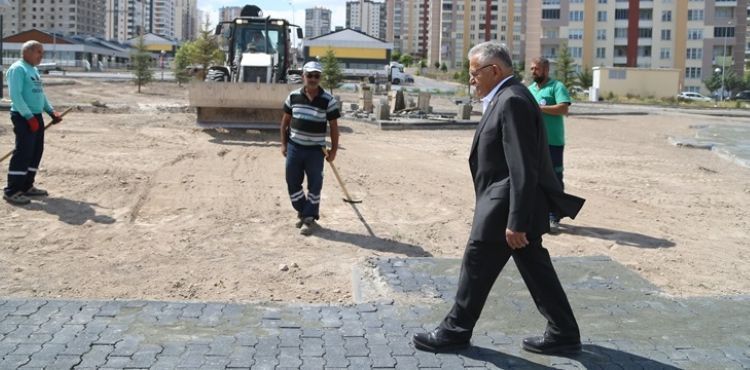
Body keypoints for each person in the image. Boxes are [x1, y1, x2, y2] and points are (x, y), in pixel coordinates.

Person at [412, 42, 585, 355]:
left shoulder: (512, 101)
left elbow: (522, 165)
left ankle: (455, 330)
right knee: (534, 265)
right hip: (508, 201)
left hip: (506, 205)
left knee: (477, 260)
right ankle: (564, 331)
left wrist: (516, 220)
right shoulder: (508, 97)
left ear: (494, 71)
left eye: (474, 73)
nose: (472, 80)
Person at [280, 61, 340, 236]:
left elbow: (334, 127)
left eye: (317, 76)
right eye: (310, 75)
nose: (313, 79)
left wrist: (334, 150)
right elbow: (284, 123)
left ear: (320, 78)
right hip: (295, 148)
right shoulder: (293, 97)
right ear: (303, 77)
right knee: (292, 182)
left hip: (316, 151)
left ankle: (308, 218)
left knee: (315, 185)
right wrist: (283, 144)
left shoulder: (328, 100)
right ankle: (302, 209)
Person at [3, 40, 63, 205]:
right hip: (23, 117)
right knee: (23, 152)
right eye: (39, 52)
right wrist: (28, 117)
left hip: (35, 116)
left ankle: (27, 186)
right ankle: (12, 190)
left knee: (36, 151)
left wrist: (51, 112)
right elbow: (16, 96)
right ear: (27, 52)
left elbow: (40, 95)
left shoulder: (33, 70)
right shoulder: (18, 69)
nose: (41, 56)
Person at [528, 57, 572, 233]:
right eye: (531, 69)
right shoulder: (530, 89)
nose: (533, 72)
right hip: (534, 141)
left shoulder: (556, 87)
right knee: (534, 177)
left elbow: (564, 109)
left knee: (554, 177)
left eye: (536, 69)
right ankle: (539, 213)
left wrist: (540, 108)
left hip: (553, 142)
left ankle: (554, 214)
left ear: (546, 70)